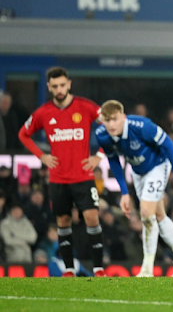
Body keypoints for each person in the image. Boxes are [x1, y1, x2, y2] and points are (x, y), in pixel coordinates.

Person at [17, 67, 106, 277]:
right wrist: (42, 156)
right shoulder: (44, 112)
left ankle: (99, 268)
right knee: (63, 221)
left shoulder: (86, 107)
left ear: (69, 84)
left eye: (62, 85)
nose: (59, 89)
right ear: (49, 87)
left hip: (83, 176)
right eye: (54, 86)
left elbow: (112, 127)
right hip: (58, 178)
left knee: (92, 218)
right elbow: (23, 134)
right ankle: (68, 270)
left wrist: (99, 156)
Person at [95, 100, 173, 277]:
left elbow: (169, 145)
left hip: (158, 166)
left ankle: (147, 268)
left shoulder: (142, 126)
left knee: (146, 212)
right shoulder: (102, 134)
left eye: (115, 119)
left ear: (123, 117)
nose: (111, 125)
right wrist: (124, 192)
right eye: (107, 120)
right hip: (138, 172)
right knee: (158, 215)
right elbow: (113, 161)